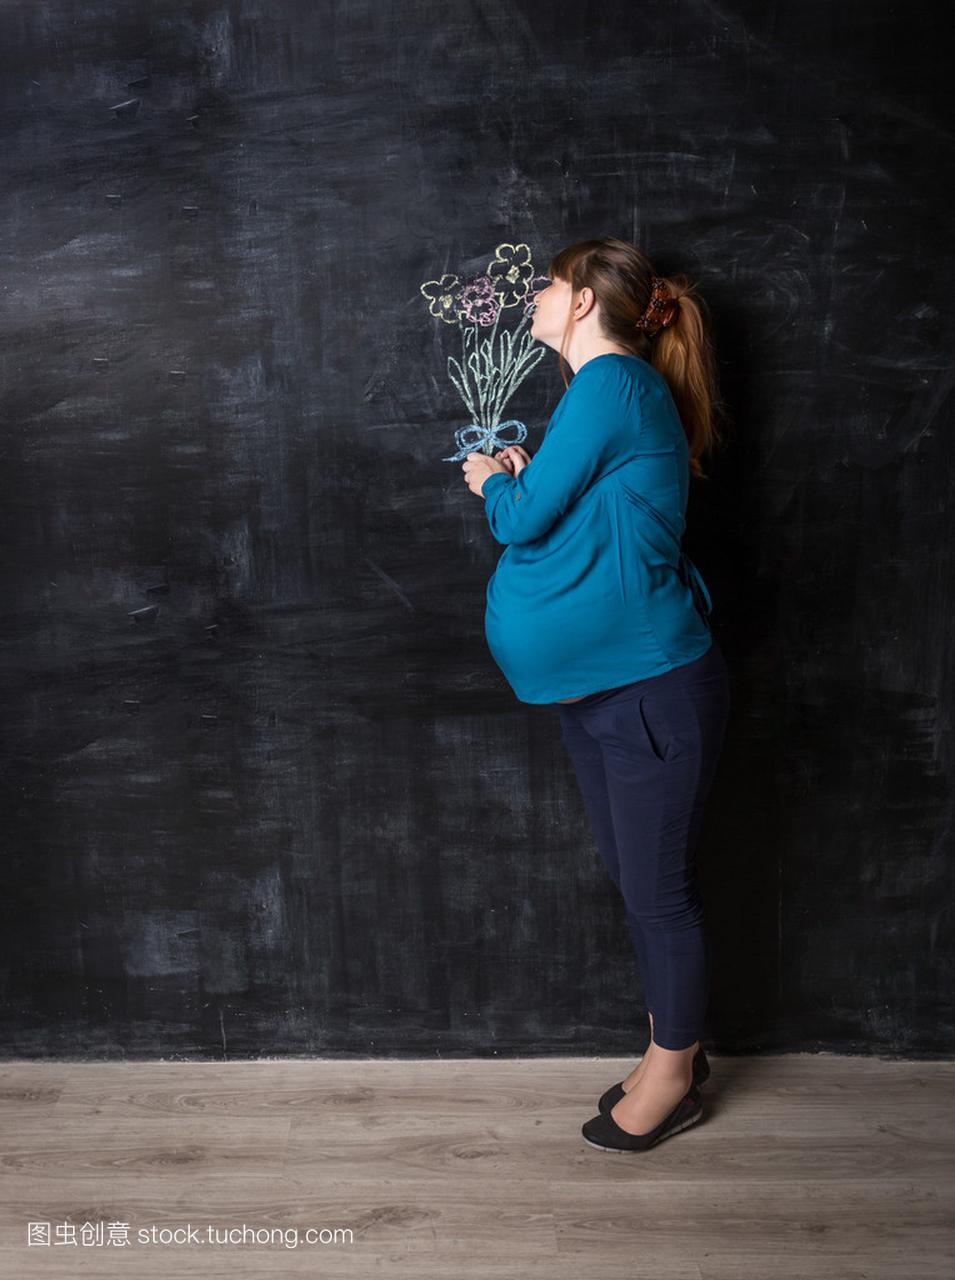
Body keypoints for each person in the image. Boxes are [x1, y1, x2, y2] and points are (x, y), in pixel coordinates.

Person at [461, 236, 731, 1153]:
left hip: (646, 689)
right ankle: (672, 1048)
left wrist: (494, 483)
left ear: (580, 302)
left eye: (547, 282)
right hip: (605, 691)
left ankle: (673, 1075)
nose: (535, 293)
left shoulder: (612, 386)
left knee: (659, 894)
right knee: (637, 881)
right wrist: (527, 474)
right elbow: (584, 516)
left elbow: (528, 522)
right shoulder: (603, 396)